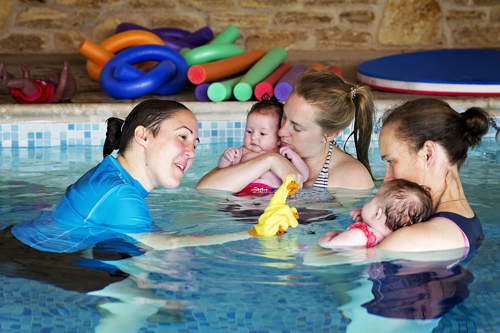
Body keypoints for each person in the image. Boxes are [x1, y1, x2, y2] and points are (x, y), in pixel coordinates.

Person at [320, 98, 490, 254]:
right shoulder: (468, 223)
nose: (387, 178)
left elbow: (317, 261)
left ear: (428, 154)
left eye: (391, 162)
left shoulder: (409, 239)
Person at [196, 68, 375, 191]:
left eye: (296, 127)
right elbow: (204, 191)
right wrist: (270, 160)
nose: (281, 132)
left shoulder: (351, 177)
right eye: (284, 117)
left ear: (329, 134)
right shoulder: (266, 146)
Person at [218, 97, 309, 196]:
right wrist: (226, 157)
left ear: (279, 139)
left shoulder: (282, 154)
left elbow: (303, 176)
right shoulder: (242, 151)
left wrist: (294, 157)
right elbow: (222, 170)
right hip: (244, 194)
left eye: (262, 133)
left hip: (273, 194)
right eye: (249, 131)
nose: (253, 137)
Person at [318, 179, 432, 249]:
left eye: (373, 198)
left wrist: (332, 233)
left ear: (377, 213)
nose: (367, 203)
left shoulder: (359, 235)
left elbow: (327, 244)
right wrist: (364, 217)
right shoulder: (386, 239)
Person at [0, 60, 77, 103]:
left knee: (25, 83)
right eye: (58, 72)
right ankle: (2, 74)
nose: (55, 73)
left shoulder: (56, 96)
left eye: (60, 76)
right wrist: (26, 72)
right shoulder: (45, 86)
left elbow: (62, 85)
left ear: (66, 87)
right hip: (23, 95)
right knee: (13, 78)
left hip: (32, 98)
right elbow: (27, 89)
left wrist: (66, 70)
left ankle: (6, 82)